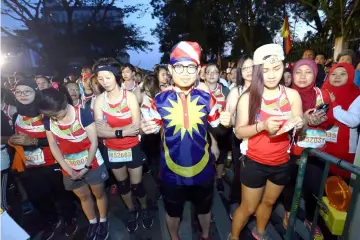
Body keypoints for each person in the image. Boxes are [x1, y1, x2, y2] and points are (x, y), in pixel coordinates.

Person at [140, 41, 231, 240]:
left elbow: (220, 129)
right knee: (173, 212)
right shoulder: (160, 99)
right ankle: (175, 238)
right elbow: (150, 127)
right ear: (171, 69)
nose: (185, 71)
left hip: (204, 169)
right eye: (179, 66)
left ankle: (205, 236)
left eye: (190, 66)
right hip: (171, 172)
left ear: (198, 70)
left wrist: (227, 122)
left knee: (205, 209)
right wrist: (143, 128)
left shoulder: (207, 98)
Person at [230, 44, 304, 240]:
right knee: (248, 207)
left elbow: (300, 124)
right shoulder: (248, 97)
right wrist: (262, 126)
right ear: (257, 71)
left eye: (276, 68)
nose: (271, 75)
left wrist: (300, 121)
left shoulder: (292, 95)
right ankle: (234, 236)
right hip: (254, 162)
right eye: (265, 70)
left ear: (284, 66)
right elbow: (238, 132)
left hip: (281, 162)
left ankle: (259, 232)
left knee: (269, 202)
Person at [38, 86, 110, 240]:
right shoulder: (48, 119)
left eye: (57, 114)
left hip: (92, 163)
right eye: (51, 116)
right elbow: (53, 146)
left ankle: (103, 220)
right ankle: (92, 222)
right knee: (83, 197)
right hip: (69, 166)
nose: (55, 118)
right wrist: (68, 169)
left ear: (64, 103)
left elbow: (94, 142)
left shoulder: (82, 114)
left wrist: (86, 167)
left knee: (99, 194)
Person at [9, 80, 78, 240]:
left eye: (27, 91)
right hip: (30, 166)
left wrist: (33, 142)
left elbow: (62, 138)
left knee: (62, 194)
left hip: (53, 162)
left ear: (36, 92)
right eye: (18, 92)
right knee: (39, 197)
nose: (22, 95)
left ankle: (69, 219)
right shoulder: (16, 116)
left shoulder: (47, 113)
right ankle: (51, 221)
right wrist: (15, 141)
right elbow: (18, 139)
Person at [92, 58, 153, 232]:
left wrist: (112, 130)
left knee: (137, 185)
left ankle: (144, 208)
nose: (104, 82)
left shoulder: (130, 97)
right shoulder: (99, 101)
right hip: (112, 150)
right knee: (123, 185)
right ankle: (131, 210)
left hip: (132, 147)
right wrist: (121, 131)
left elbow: (135, 127)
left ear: (116, 76)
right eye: (100, 78)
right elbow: (99, 131)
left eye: (108, 77)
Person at [282, 59, 334, 240]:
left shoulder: (324, 94)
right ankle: (289, 212)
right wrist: (303, 121)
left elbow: (332, 120)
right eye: (298, 72)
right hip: (291, 149)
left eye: (308, 72)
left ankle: (312, 219)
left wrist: (322, 121)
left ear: (315, 74)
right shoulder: (285, 95)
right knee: (289, 183)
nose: (303, 76)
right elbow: (282, 124)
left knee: (314, 187)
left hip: (316, 150)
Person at [225, 55, 253, 219]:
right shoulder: (236, 91)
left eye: (252, 67)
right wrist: (239, 122)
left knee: (255, 175)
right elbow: (228, 117)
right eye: (245, 68)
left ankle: (251, 204)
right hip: (240, 138)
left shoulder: (265, 89)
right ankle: (235, 201)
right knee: (240, 172)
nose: (249, 71)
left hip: (260, 139)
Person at [322, 63, 360, 179]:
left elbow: (354, 121)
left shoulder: (356, 95)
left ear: (350, 76)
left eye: (343, 74)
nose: (337, 77)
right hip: (322, 145)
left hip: (343, 150)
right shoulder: (323, 91)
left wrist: (334, 104)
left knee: (338, 185)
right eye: (333, 74)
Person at [204, 63, 231, 192]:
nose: (211, 74)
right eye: (208, 72)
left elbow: (231, 111)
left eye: (215, 71)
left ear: (219, 74)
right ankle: (206, 180)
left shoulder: (226, 91)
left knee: (221, 156)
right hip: (204, 131)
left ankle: (219, 178)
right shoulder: (199, 91)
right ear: (204, 75)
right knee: (206, 157)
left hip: (223, 130)